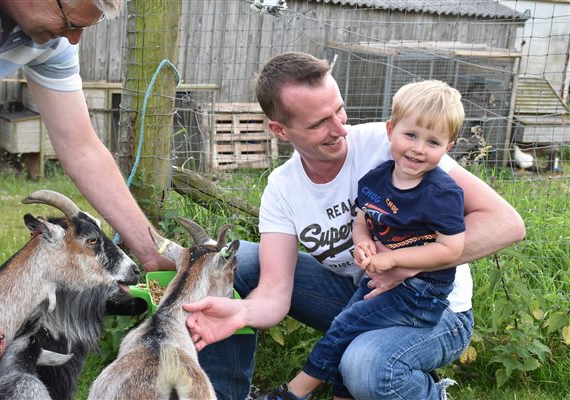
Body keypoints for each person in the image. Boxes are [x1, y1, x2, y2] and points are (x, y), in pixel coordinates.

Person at [185, 51, 525, 400]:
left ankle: (416, 385)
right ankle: (221, 395)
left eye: (339, 110)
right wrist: (240, 312)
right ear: (280, 130)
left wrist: (404, 264)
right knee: (229, 261)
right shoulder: (283, 188)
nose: (340, 128)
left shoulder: (397, 144)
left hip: (435, 305)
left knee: (366, 368)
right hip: (364, 291)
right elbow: (274, 293)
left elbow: (506, 224)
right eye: (319, 123)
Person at [259, 79, 468, 400]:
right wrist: (363, 241)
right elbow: (362, 219)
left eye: (432, 142)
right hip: (375, 282)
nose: (418, 148)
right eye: (411, 135)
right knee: (350, 329)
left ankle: (293, 392)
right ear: (391, 130)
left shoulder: (441, 192)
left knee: (346, 327)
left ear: (448, 147)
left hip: (423, 297)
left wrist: (395, 260)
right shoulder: (377, 177)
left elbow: (451, 248)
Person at [0, 0, 171, 271]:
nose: (74, 39)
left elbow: (82, 149)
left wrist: (153, 251)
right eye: (69, 23)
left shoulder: (52, 42)